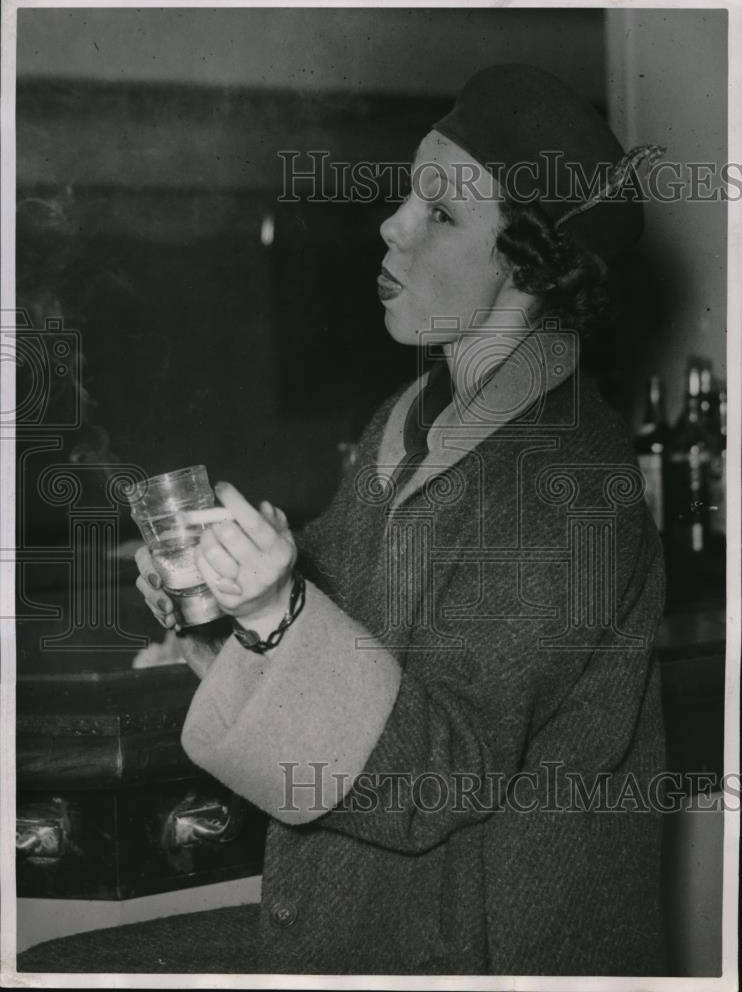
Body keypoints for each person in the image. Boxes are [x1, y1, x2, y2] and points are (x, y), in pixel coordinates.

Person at [17, 64, 668, 977]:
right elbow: (326, 617)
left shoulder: (569, 485)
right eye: (409, 195)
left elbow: (438, 774)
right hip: (358, 921)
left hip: (482, 953)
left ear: (529, 264)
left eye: (440, 215)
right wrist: (214, 596)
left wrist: (275, 612)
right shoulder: (408, 420)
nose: (391, 225)